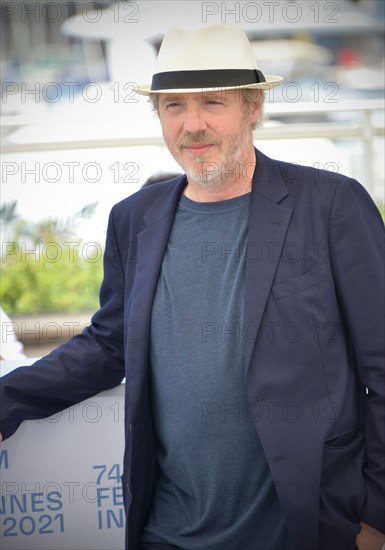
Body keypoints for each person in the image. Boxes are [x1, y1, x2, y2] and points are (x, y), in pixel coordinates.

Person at [0, 23, 384, 550]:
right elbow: (110, 343)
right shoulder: (134, 219)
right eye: (174, 106)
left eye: (212, 103)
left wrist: (376, 518)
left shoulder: (332, 205)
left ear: (253, 108)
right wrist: (7, 401)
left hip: (304, 527)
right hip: (168, 532)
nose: (193, 124)